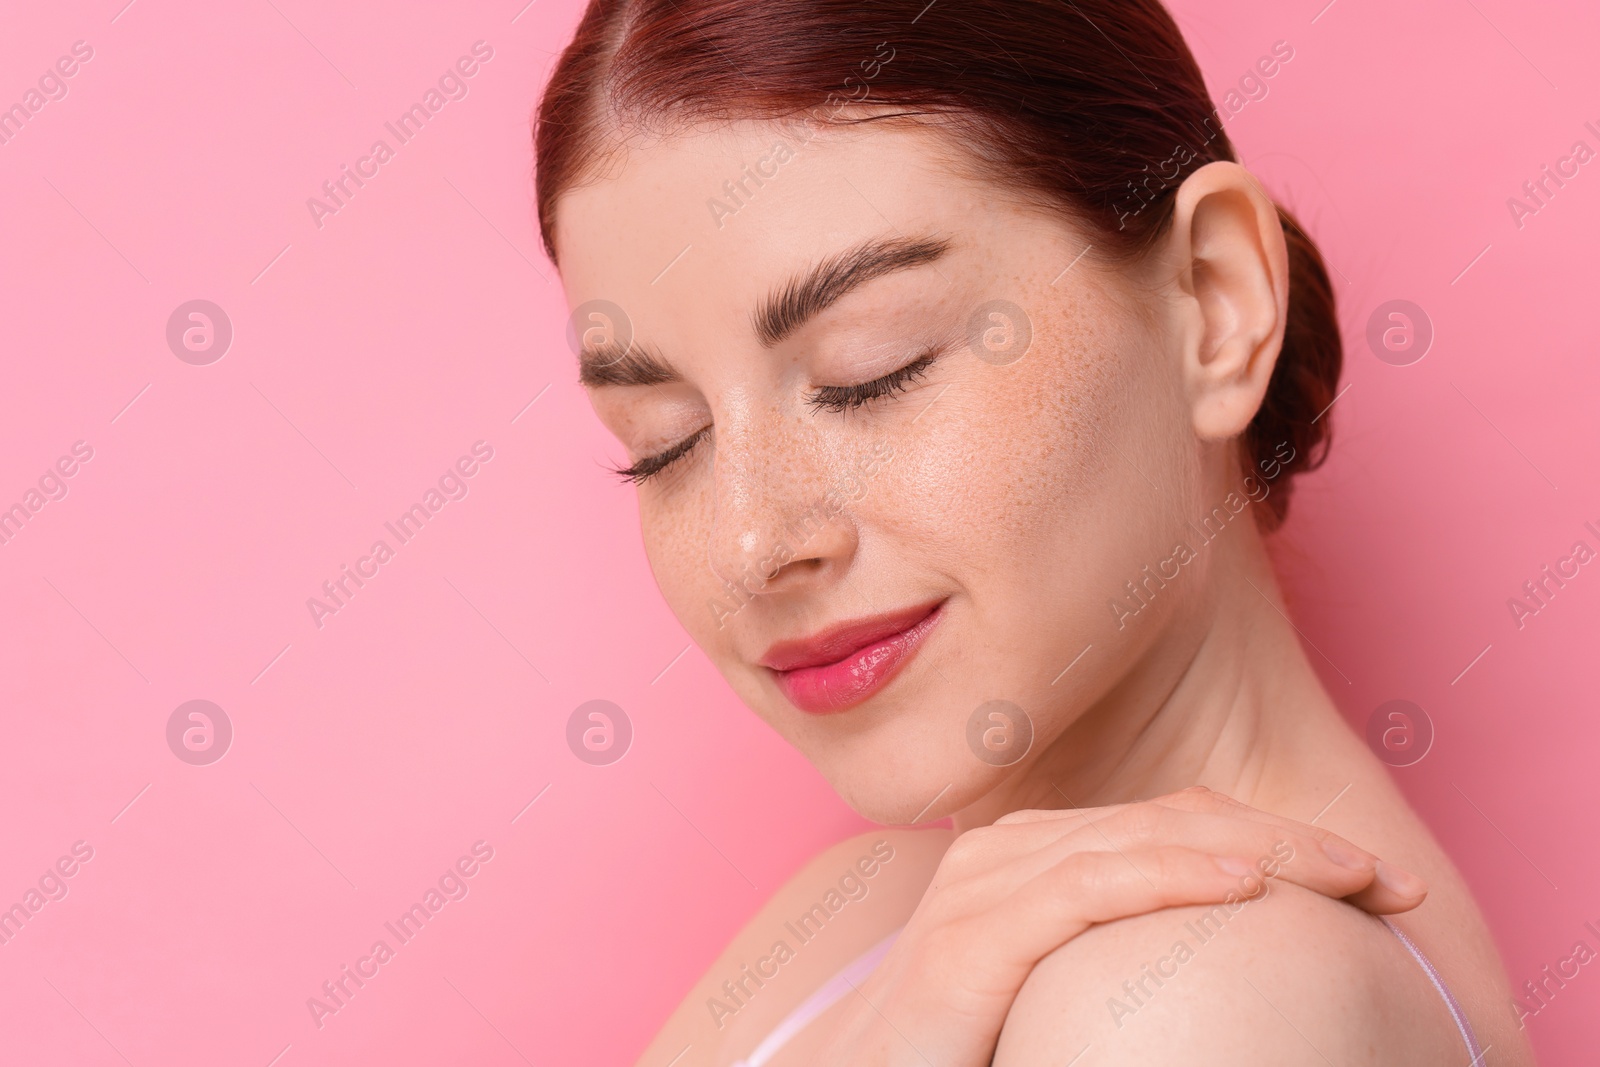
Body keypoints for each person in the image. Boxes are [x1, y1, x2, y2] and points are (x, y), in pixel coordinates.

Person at [534, 0, 1536, 1062]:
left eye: (872, 369)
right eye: (666, 441)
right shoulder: (857, 918)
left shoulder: (1197, 996)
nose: (752, 543)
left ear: (1215, 297)